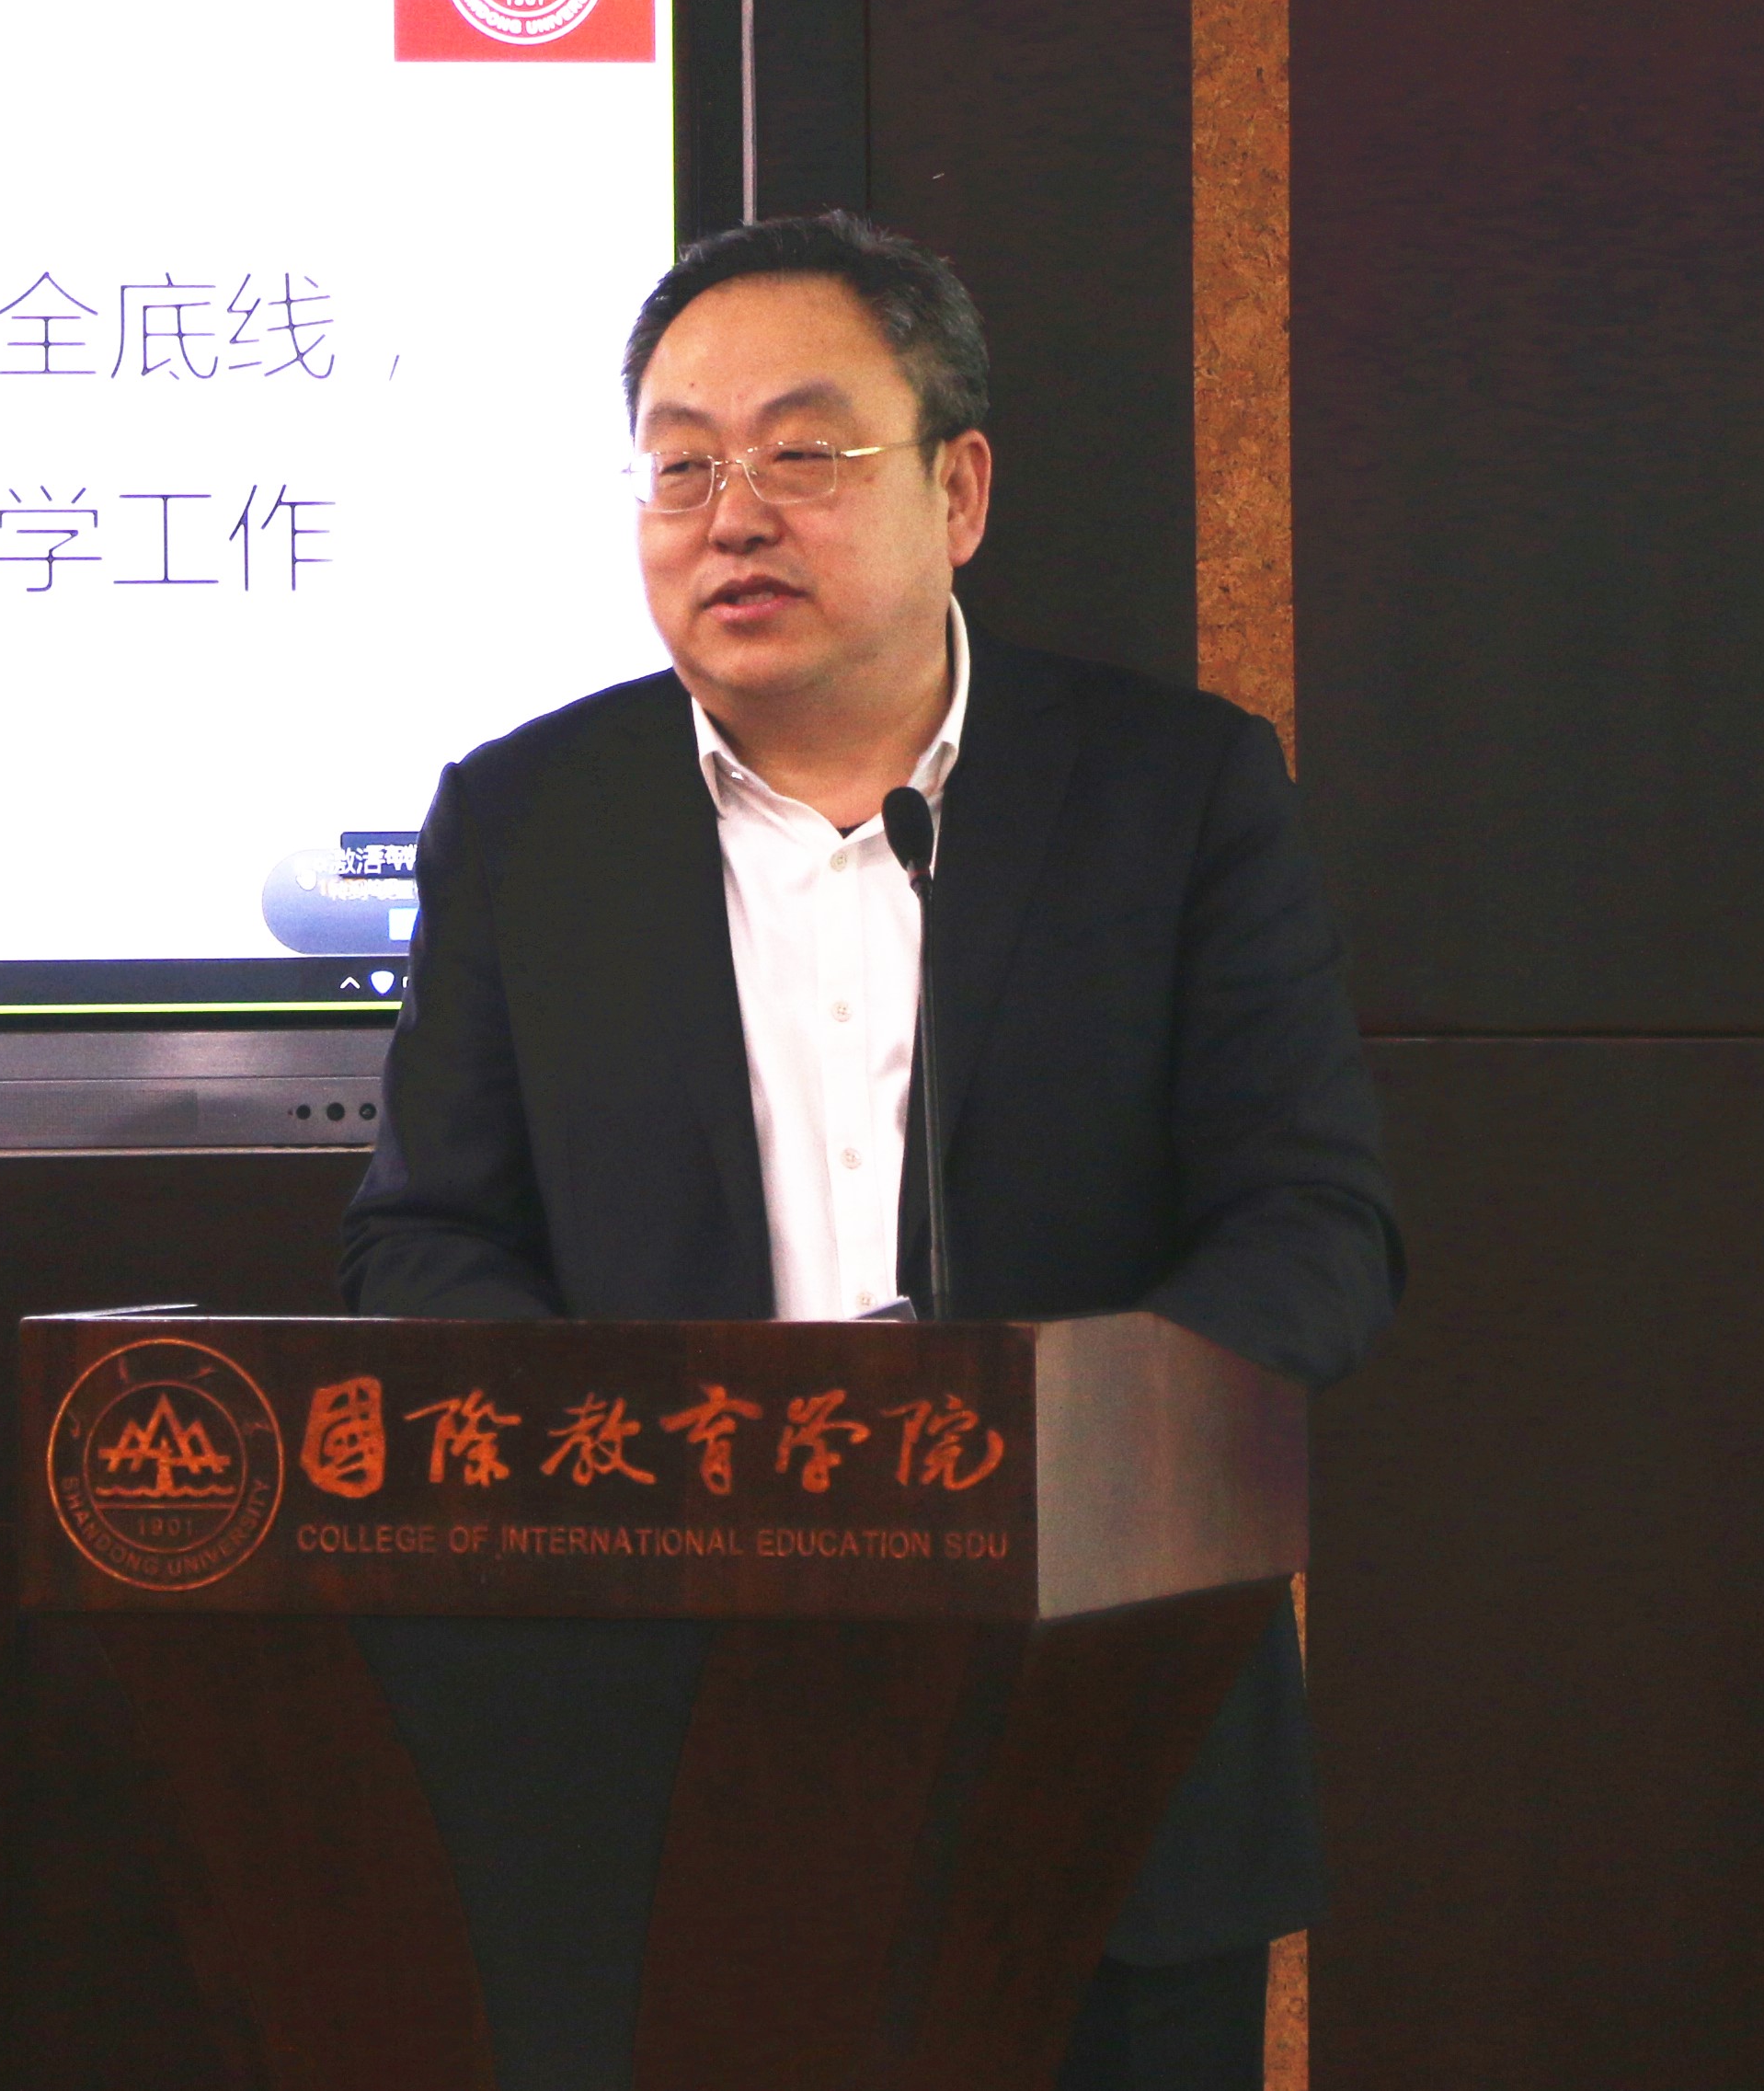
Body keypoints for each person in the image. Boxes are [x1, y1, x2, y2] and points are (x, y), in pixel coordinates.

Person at [338, 210, 1402, 2091]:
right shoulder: (524, 823)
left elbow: (1312, 1226)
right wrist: (653, 1480)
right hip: (660, 1759)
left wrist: (1049, 1456)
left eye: (801, 453)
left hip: (1100, 1732)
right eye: (680, 466)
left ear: (956, 488)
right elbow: (421, 1243)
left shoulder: (1170, 793)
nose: (730, 515)